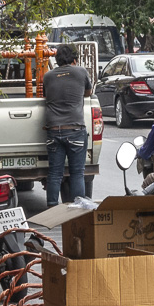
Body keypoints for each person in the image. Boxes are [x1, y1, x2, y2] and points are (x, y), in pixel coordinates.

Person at [43, 43, 92, 207]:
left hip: (53, 131)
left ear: (56, 59)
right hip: (75, 129)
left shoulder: (48, 76)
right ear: (75, 59)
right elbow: (88, 92)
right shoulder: (81, 72)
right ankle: (78, 207)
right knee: (77, 172)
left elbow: (46, 94)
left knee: (54, 173)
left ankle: (51, 208)